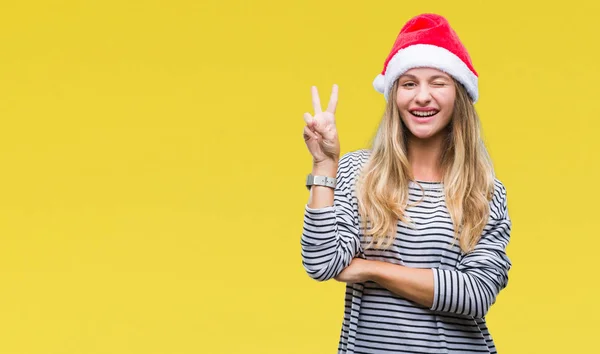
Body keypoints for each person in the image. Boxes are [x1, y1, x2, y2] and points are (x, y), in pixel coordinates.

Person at [300, 13, 512, 354]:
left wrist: (373, 269)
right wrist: (325, 164)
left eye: (438, 83)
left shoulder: (483, 190)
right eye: (409, 83)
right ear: (394, 95)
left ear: (458, 94)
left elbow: (476, 294)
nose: (422, 97)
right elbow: (323, 263)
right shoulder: (359, 171)